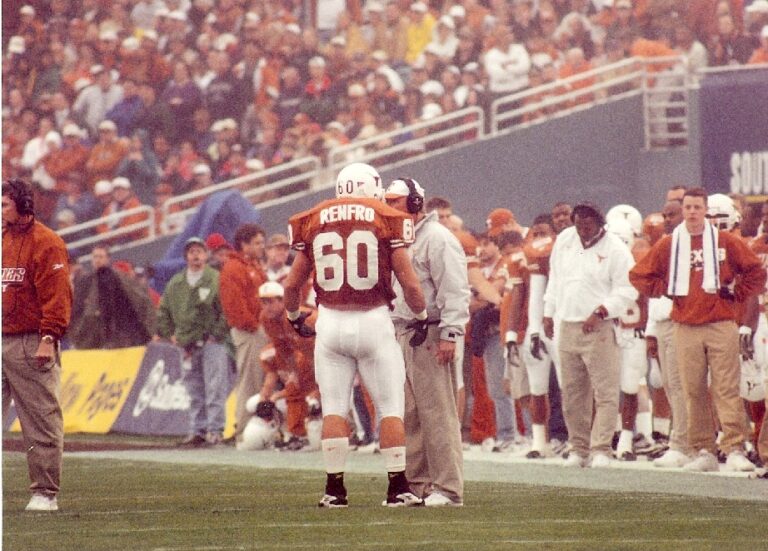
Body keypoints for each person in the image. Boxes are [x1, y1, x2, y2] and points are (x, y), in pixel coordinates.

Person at [282, 162, 428, 508]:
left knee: (334, 407)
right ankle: (397, 488)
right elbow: (409, 282)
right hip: (374, 320)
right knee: (390, 408)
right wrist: (421, 316)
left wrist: (293, 317)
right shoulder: (386, 216)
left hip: (330, 322)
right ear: (372, 186)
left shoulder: (313, 217)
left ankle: (334, 490)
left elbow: (291, 285)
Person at [630, 187, 766, 472]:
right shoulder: (670, 244)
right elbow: (639, 275)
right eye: (688, 207)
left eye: (697, 207)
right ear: (684, 210)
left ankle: (734, 448)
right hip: (685, 324)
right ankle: (703, 449)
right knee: (692, 389)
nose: (692, 212)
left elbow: (756, 271)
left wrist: (737, 292)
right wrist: (666, 289)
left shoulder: (725, 241)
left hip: (720, 322)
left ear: (706, 210)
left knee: (726, 388)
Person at [385, 177, 470, 507]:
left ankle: (448, 488)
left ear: (415, 204)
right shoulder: (394, 238)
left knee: (438, 412)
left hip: (431, 331)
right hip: (401, 331)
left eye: (395, 201)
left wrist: (450, 333)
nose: (389, 207)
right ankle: (418, 485)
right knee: (410, 413)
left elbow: (455, 290)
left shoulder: (437, 238)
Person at [543, 202, 638, 468]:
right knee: (573, 392)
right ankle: (578, 448)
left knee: (605, 391)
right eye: (578, 223)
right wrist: (549, 312)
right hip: (568, 323)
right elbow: (555, 279)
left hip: (599, 327)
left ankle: (601, 449)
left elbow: (628, 289)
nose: (582, 229)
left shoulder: (616, 249)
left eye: (588, 224)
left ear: (600, 224)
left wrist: (602, 311)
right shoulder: (565, 240)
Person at [2, 179, 72, 512]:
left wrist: (49, 337)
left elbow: (57, 297)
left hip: (31, 341)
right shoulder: (1, 240)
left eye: (4, 204)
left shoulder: (48, 243)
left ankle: (45, 491)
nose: (0, 211)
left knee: (40, 419)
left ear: (23, 205)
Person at [155, 237, 231, 447]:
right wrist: (170, 334)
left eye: (199, 251)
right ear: (186, 256)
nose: (196, 256)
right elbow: (163, 312)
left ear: (206, 255)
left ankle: (215, 431)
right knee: (193, 389)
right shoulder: (176, 282)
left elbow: (226, 309)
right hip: (186, 344)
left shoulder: (215, 278)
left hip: (211, 342)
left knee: (215, 387)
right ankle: (197, 429)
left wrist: (216, 334)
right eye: (192, 252)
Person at [219, 224, 269, 444]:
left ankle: (258, 432)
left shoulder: (252, 265)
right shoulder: (233, 268)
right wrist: (252, 325)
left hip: (259, 329)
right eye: (257, 242)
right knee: (249, 381)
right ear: (244, 244)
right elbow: (234, 305)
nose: (262, 247)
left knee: (260, 381)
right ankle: (243, 434)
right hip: (249, 332)